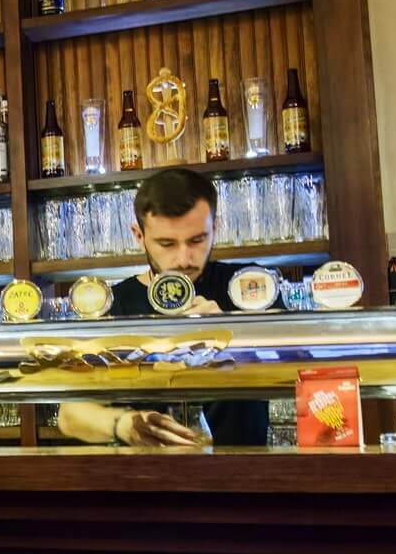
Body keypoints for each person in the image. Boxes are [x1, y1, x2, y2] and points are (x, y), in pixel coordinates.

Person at [56, 167, 276, 448]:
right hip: (147, 479)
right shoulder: (114, 302)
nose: (184, 259)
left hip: (247, 477)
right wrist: (124, 424)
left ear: (215, 227)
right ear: (139, 235)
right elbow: (70, 414)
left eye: (197, 240)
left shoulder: (250, 286)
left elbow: (301, 369)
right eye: (167, 243)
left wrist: (231, 335)